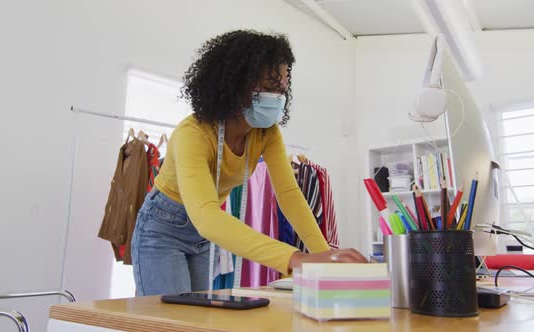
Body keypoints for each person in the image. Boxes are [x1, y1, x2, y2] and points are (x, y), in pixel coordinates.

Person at [131, 30, 367, 296]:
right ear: (237, 85)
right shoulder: (193, 134)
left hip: (203, 236)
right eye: (269, 88)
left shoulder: (267, 133)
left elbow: (289, 196)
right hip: (163, 228)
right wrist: (297, 260)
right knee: (169, 321)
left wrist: (326, 257)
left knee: (192, 317)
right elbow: (207, 216)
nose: (277, 98)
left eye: (282, 90)